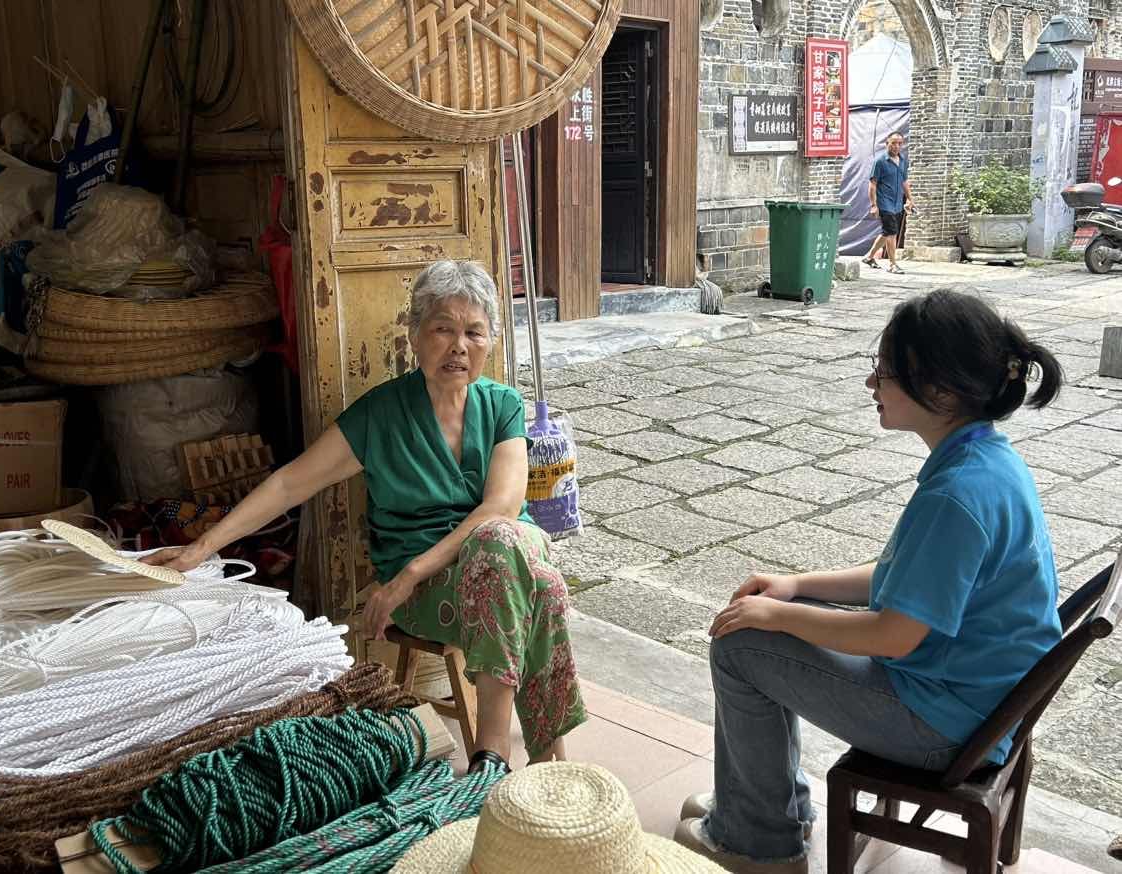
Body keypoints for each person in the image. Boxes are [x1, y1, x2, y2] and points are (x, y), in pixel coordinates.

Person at [674, 289, 1065, 873]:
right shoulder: (987, 460)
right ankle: (762, 803)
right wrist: (798, 585)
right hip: (978, 699)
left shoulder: (958, 495)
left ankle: (760, 838)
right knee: (761, 632)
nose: (870, 385)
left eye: (883, 372)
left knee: (740, 645)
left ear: (938, 391)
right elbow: (901, 582)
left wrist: (777, 615)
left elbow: (893, 635)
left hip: (945, 720)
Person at [146, 260, 586, 772]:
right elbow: (291, 482)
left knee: (505, 545)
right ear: (415, 335)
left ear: (490, 343)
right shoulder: (381, 414)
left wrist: (405, 576)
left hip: (456, 569)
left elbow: (502, 508)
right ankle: (538, 763)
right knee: (541, 584)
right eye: (443, 328)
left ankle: (497, 757)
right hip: (432, 594)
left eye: (474, 332)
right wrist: (202, 548)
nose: (458, 346)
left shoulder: (503, 404)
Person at [862, 132, 912, 275]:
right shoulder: (880, 161)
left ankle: (869, 257)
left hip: (897, 203)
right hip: (884, 203)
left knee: (887, 232)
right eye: (893, 143)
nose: (896, 146)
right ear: (887, 144)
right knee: (892, 232)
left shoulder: (903, 161)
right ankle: (892, 264)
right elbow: (872, 184)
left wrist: (910, 199)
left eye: (899, 143)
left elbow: (904, 182)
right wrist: (873, 205)